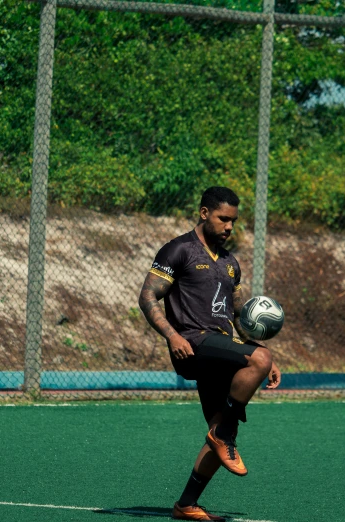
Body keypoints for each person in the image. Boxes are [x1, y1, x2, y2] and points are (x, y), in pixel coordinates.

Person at [138, 186, 281, 521]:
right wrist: (172, 335)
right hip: (192, 343)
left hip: (219, 348)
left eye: (233, 220)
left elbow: (237, 318)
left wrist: (262, 352)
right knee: (225, 428)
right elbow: (147, 297)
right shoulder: (179, 250)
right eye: (223, 218)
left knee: (224, 437)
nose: (229, 226)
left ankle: (185, 504)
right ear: (204, 213)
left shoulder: (231, 264)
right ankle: (220, 432)